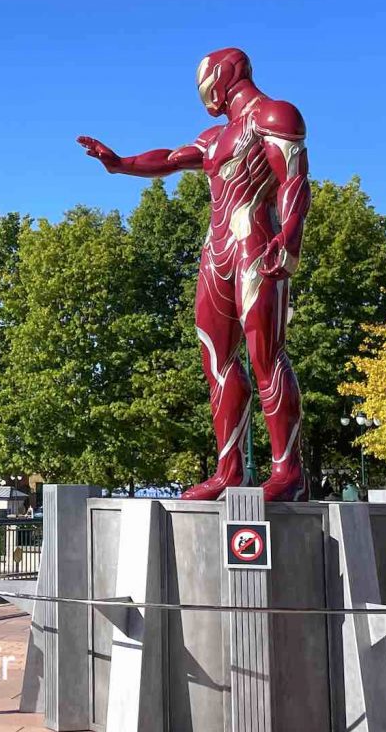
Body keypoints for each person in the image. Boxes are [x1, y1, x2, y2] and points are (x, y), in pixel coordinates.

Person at [78, 48, 310, 501]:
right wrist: (120, 163)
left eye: (207, 82)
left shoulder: (275, 114)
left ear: (224, 77)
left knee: (267, 356)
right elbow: (168, 157)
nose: (206, 93)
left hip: (255, 244)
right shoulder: (213, 138)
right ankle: (230, 472)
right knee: (217, 364)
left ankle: (288, 471)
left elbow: (295, 182)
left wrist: (290, 240)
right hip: (217, 252)